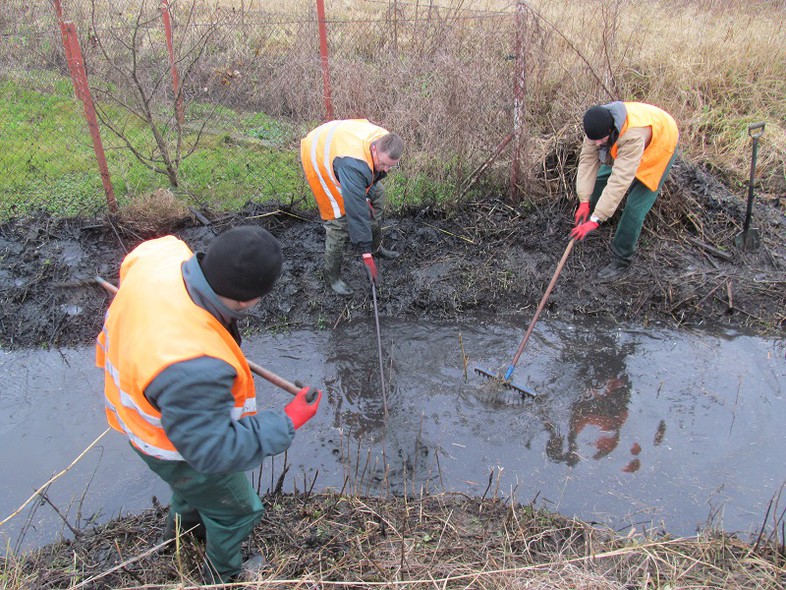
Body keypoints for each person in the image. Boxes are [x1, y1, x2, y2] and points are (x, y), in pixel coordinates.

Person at [96, 226, 322, 585]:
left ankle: (179, 537)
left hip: (144, 417)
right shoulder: (195, 368)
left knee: (194, 488)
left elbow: (141, 285)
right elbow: (212, 453)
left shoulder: (162, 254)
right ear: (249, 301)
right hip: (171, 445)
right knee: (237, 510)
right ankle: (223, 575)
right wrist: (288, 421)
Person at [570, 102, 679, 280]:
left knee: (634, 209)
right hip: (626, 142)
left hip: (659, 144)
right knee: (599, 181)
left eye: (600, 140)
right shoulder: (597, 127)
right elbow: (587, 162)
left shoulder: (632, 136)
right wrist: (584, 200)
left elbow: (621, 179)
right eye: (594, 140)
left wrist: (597, 218)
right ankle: (597, 216)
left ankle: (622, 259)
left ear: (611, 130)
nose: (597, 144)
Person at [301, 119, 404, 296]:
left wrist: (366, 195)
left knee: (377, 195)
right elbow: (356, 212)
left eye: (391, 166)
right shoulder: (353, 166)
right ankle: (331, 276)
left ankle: (376, 248)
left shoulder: (385, 140)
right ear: (374, 150)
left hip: (342, 145)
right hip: (319, 154)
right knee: (339, 221)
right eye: (384, 164)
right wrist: (365, 254)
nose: (386, 170)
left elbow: (373, 180)